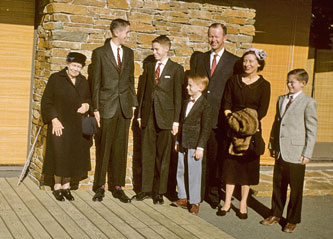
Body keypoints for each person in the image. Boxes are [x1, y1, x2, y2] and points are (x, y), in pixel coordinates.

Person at [260, 69, 317, 233]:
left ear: (303, 84)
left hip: (297, 152)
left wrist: (307, 153)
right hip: (281, 150)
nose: (289, 84)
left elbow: (311, 129)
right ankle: (275, 214)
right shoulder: (281, 99)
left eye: (293, 82)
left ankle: (292, 220)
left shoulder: (308, 102)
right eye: (288, 81)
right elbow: (277, 123)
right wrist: (272, 144)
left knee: (295, 188)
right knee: (278, 184)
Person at [190, 23, 239, 208]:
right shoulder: (199, 59)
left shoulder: (234, 62)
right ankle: (196, 195)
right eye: (211, 36)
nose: (213, 40)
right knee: (198, 157)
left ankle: (213, 193)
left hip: (219, 119)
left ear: (225, 37)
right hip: (200, 117)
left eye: (217, 36)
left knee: (216, 158)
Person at [218, 48, 271, 219]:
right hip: (232, 129)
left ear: (259, 64)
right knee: (230, 168)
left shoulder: (265, 85)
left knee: (246, 170)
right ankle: (226, 203)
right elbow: (226, 103)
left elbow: (262, 110)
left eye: (251, 61)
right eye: (245, 60)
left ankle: (242, 205)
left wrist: (247, 123)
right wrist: (233, 120)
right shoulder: (233, 81)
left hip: (252, 132)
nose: (247, 64)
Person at [90, 18, 138, 202]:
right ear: (116, 32)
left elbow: (130, 80)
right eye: (127, 32)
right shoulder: (100, 53)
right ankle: (100, 186)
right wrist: (95, 108)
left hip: (124, 108)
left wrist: (132, 104)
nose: (128, 35)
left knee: (120, 148)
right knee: (104, 147)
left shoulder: (129, 53)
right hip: (106, 107)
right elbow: (95, 83)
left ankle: (117, 186)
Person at [135, 35, 184, 204]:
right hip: (149, 116)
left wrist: (176, 121)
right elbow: (143, 92)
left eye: (156, 49)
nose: (153, 52)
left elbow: (178, 97)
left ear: (166, 49)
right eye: (152, 49)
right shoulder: (149, 68)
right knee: (147, 153)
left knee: (163, 156)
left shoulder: (176, 69)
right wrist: (140, 114)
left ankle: (159, 191)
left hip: (166, 118)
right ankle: (145, 189)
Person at [41, 52, 91, 201]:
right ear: (68, 64)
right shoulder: (56, 79)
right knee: (59, 154)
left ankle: (66, 186)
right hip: (60, 124)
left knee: (72, 155)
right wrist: (54, 119)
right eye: (73, 65)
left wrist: (87, 105)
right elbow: (47, 102)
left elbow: (89, 98)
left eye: (79, 67)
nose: (75, 69)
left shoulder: (83, 81)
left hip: (76, 125)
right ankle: (57, 185)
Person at [175, 73, 212, 215]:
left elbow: (206, 128)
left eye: (190, 85)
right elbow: (182, 123)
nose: (187, 87)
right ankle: (183, 196)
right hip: (183, 141)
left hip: (195, 144)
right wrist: (178, 141)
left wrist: (200, 147)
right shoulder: (186, 102)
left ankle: (195, 201)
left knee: (194, 173)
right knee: (181, 169)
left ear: (200, 87)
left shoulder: (205, 105)